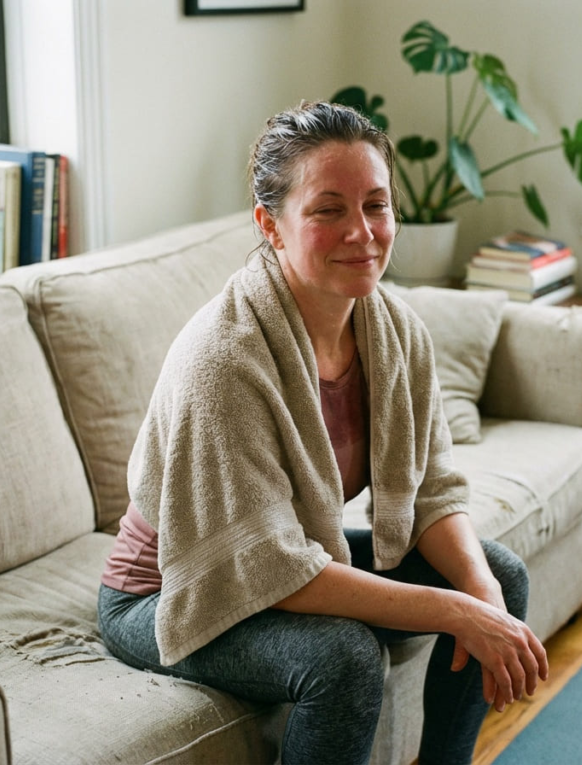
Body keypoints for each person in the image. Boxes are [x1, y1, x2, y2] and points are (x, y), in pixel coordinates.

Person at [98, 100, 548, 765]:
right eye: (327, 209)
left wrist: (480, 598)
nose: (362, 231)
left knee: (499, 576)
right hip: (173, 591)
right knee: (345, 659)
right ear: (270, 225)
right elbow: (266, 567)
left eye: (376, 204)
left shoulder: (393, 329)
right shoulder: (225, 358)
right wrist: (454, 611)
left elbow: (433, 492)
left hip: (289, 554)